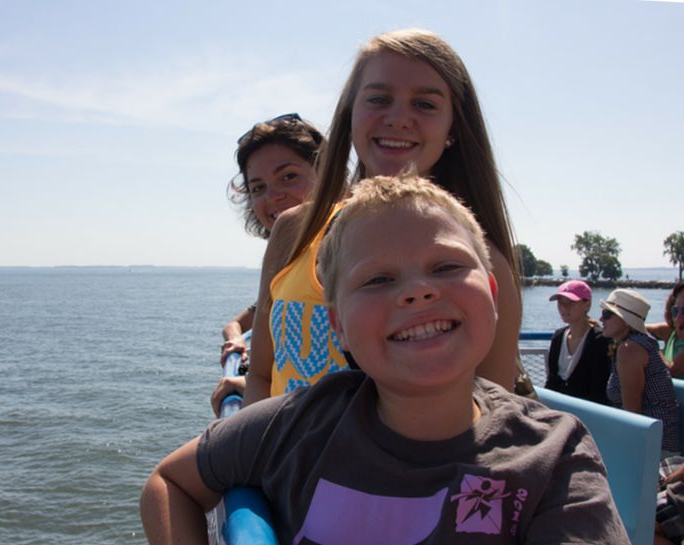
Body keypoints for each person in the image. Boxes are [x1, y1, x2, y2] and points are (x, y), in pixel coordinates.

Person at [140, 175, 628, 545]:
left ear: (494, 294)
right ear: (338, 325)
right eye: (377, 280)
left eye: (447, 266)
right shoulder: (299, 424)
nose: (418, 291)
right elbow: (168, 483)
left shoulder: (554, 456)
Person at [243, 28, 522, 405]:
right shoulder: (293, 229)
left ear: (452, 127)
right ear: (349, 114)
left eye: (424, 104)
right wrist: (254, 453)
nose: (398, 118)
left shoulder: (479, 264)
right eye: (379, 99)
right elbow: (262, 373)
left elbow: (489, 420)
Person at [212, 115, 323, 411]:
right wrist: (236, 340)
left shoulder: (353, 240)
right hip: (289, 423)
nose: (273, 196)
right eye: (258, 188)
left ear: (326, 172)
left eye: (288, 177)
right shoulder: (284, 258)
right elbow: (244, 324)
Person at [601, 288, 681, 456]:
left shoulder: (630, 349)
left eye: (607, 314)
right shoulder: (640, 343)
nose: (601, 319)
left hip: (656, 446)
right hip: (657, 438)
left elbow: (633, 415)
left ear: (625, 320)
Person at [544, 280, 612, 404]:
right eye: (560, 302)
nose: (564, 307)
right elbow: (551, 382)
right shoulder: (558, 337)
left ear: (587, 304)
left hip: (588, 413)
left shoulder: (599, 340)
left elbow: (598, 388)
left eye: (571, 302)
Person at [648, 281, 684, 378]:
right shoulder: (671, 332)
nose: (678, 318)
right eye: (676, 311)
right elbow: (639, 328)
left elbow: (672, 371)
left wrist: (653, 348)